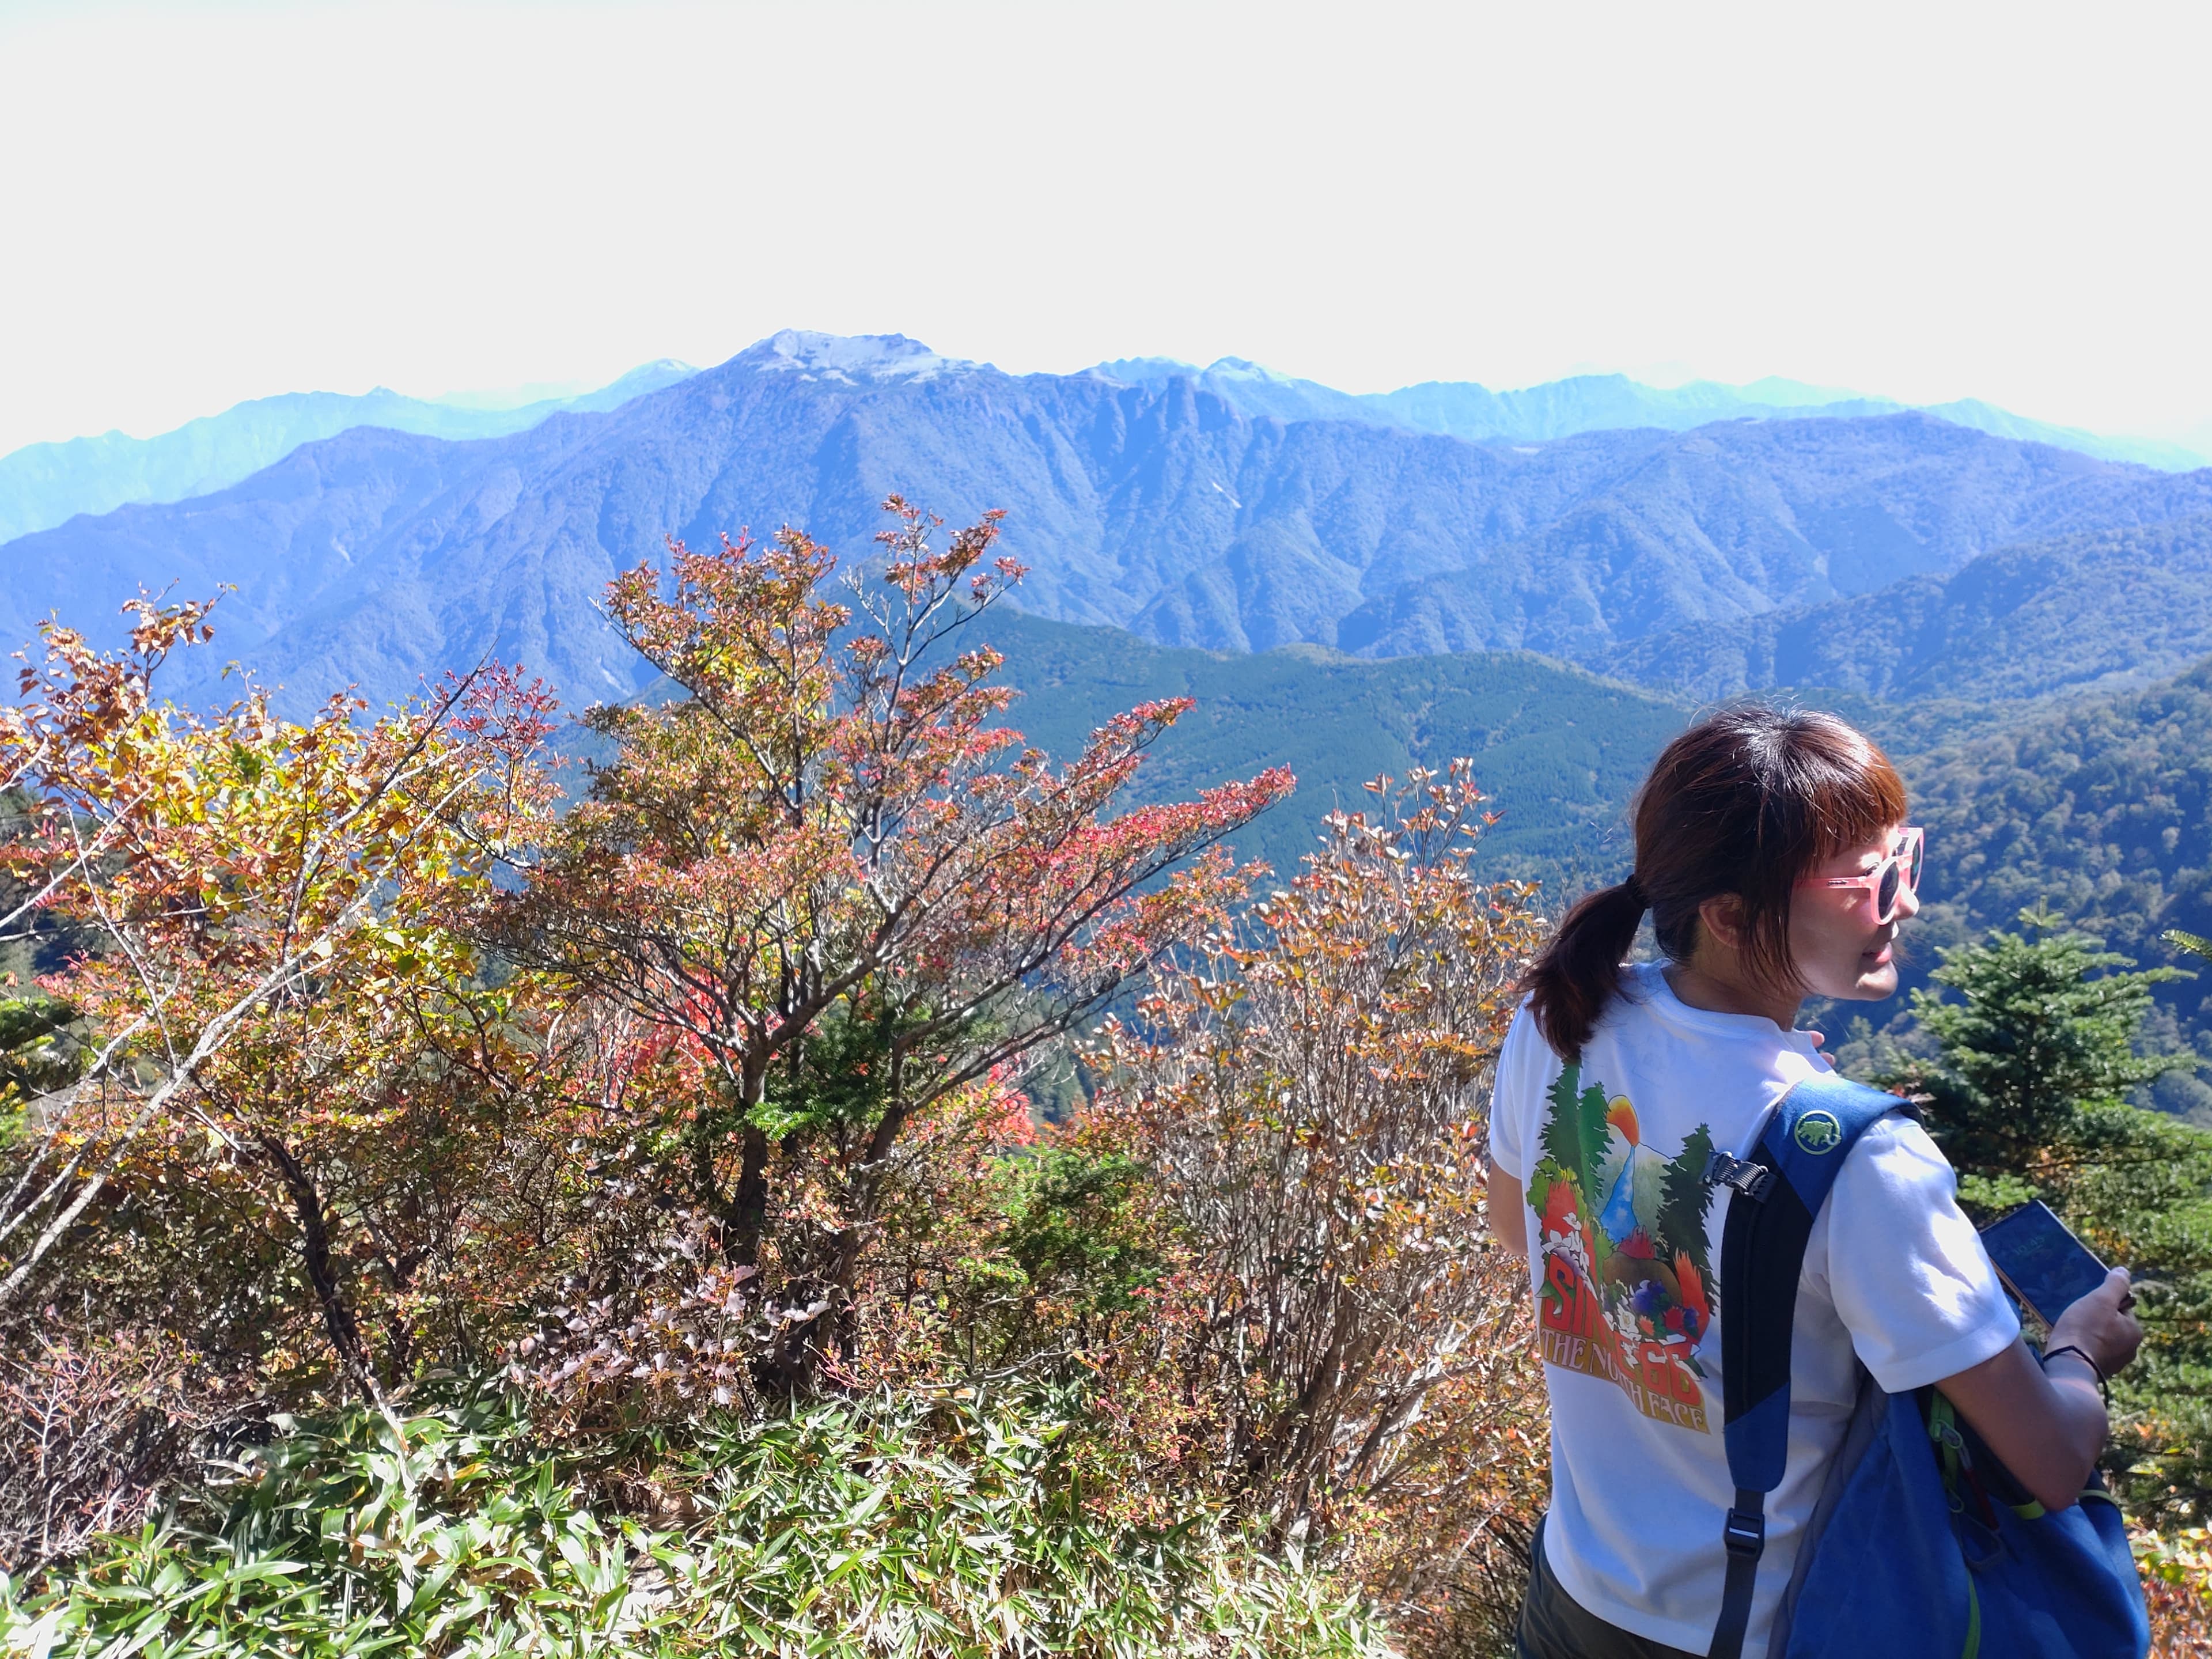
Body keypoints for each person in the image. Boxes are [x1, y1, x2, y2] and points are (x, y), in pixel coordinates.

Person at [1485, 706, 2143, 1659]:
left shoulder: (1562, 1021)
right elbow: (2048, 1458)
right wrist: (2081, 1349)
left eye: (1902, 860)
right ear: (1731, 917)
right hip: (1744, 1630)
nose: (1906, 903)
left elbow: (1522, 1232)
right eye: (1874, 881)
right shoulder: (1861, 1160)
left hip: (1575, 1589)